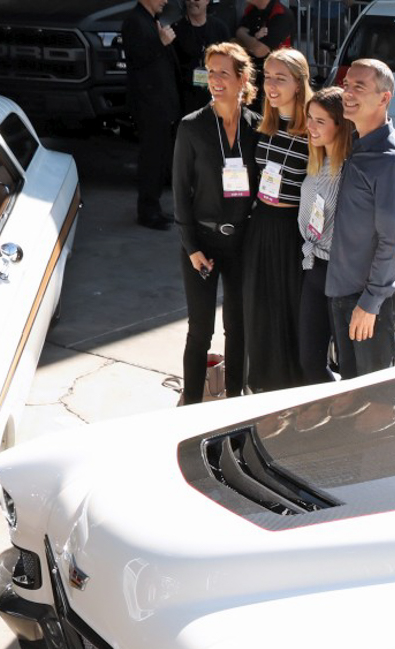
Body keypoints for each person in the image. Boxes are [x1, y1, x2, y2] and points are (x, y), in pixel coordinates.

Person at [172, 41, 260, 403]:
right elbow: (180, 192)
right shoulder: (192, 127)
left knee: (237, 328)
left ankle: (235, 399)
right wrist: (191, 247)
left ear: (242, 79)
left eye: (224, 72)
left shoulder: (258, 126)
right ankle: (191, 405)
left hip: (242, 242)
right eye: (210, 72)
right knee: (200, 329)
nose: (215, 80)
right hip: (202, 244)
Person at [326, 58, 395, 378]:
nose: (347, 92)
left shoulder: (391, 160)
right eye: (346, 85)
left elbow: (391, 240)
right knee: (351, 395)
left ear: (384, 99)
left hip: (368, 300)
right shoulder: (358, 142)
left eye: (358, 87)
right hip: (344, 291)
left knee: (371, 407)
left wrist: (370, 303)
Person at [244, 48, 312, 391]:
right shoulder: (264, 125)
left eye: (280, 79)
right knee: (260, 309)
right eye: (267, 77)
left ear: (298, 85)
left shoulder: (313, 131)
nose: (271, 85)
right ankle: (260, 383)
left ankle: (290, 388)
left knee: (289, 311)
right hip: (261, 224)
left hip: (291, 232)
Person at [298, 85, 350, 383]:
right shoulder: (317, 160)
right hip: (312, 266)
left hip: (339, 272)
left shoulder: (349, 170)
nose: (311, 127)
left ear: (339, 125)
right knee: (309, 360)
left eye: (320, 121)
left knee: (347, 363)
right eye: (310, 118)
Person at [124, 0, 184, 229]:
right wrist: (160, 42)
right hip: (149, 104)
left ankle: (154, 207)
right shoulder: (134, 22)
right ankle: (147, 211)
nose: (165, 1)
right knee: (151, 159)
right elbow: (137, 59)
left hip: (161, 102)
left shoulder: (151, 20)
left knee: (160, 158)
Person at [173, 0, 232, 113]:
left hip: (217, 97)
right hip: (188, 100)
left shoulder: (220, 28)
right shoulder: (176, 30)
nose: (192, 1)